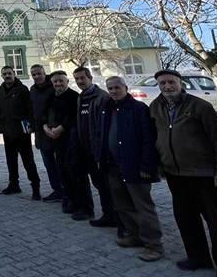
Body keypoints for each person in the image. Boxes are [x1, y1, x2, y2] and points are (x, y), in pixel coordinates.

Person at [150, 69, 217, 277]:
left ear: (180, 83)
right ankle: (198, 257)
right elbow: (154, 137)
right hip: (174, 174)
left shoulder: (200, 106)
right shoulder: (155, 107)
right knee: (186, 219)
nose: (167, 86)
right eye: (162, 83)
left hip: (203, 174)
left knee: (216, 221)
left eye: (171, 82)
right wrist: (159, 163)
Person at [96, 76, 164, 262]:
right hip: (112, 166)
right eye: (110, 88)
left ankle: (154, 245)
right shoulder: (106, 108)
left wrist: (147, 166)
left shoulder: (138, 108)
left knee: (143, 206)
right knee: (123, 205)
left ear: (125, 88)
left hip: (134, 166)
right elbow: (100, 134)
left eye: (117, 87)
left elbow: (148, 139)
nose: (113, 91)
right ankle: (135, 235)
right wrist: (100, 157)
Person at [72, 67, 120, 230]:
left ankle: (111, 216)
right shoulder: (81, 97)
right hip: (85, 148)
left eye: (82, 78)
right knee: (97, 183)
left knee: (104, 185)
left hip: (97, 150)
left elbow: (103, 127)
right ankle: (98, 212)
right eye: (77, 78)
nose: (80, 81)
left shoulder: (102, 97)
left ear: (90, 77)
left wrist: (101, 150)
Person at [44, 71, 90, 218]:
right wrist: (46, 127)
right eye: (55, 82)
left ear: (67, 81)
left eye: (60, 81)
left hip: (71, 142)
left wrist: (59, 129)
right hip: (57, 142)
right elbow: (44, 114)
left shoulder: (73, 97)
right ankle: (72, 202)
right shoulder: (52, 96)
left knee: (76, 174)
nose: (58, 84)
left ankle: (86, 208)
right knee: (63, 173)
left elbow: (72, 117)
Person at [0, 66, 41, 199]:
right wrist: (0, 126)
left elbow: (29, 108)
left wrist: (31, 126)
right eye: (4, 74)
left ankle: (35, 187)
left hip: (21, 132)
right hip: (7, 133)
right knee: (11, 161)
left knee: (28, 161)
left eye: (9, 73)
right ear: (2, 75)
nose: (7, 76)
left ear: (14, 74)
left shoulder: (22, 89)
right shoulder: (0, 91)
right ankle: (14, 185)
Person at [30, 65, 66, 204]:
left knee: (62, 165)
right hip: (41, 134)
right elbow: (32, 110)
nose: (37, 76)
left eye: (39, 73)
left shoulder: (53, 87)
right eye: (34, 74)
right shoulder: (33, 90)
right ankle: (57, 190)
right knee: (49, 164)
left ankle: (67, 192)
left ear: (44, 73)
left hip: (56, 133)